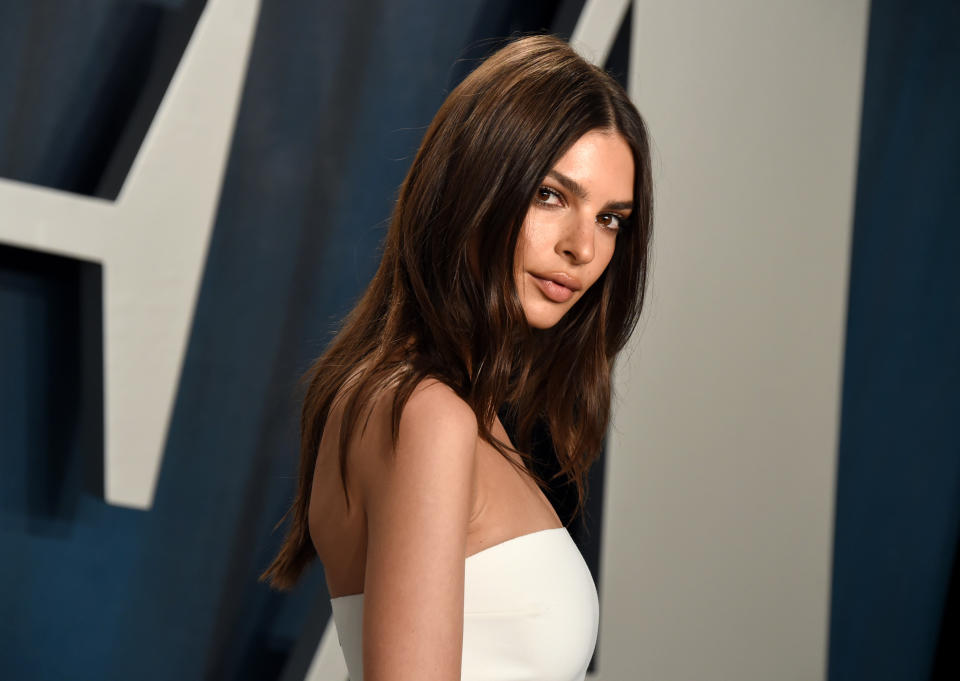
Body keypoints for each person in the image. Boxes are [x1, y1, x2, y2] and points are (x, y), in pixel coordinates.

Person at [262, 33, 653, 681]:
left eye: (611, 218)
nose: (582, 247)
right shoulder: (428, 415)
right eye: (552, 195)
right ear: (476, 185)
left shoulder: (426, 404)